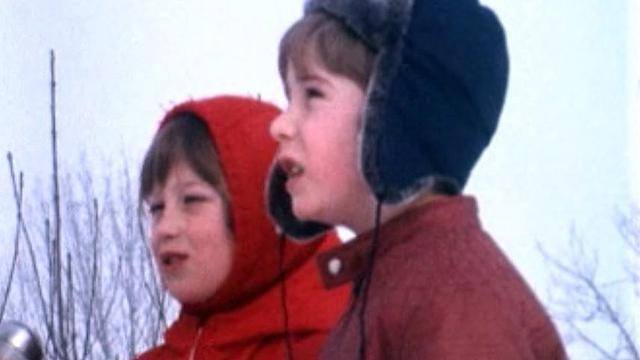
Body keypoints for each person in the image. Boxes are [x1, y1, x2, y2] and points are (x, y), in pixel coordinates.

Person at [266, 0, 568, 359]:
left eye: (312, 94)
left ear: (397, 113)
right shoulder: (392, 284)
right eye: (288, 98)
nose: (279, 125)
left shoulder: (455, 297)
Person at [135, 95, 349, 360]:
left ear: (264, 207)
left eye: (192, 200)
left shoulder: (348, 345)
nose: (165, 228)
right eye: (156, 208)